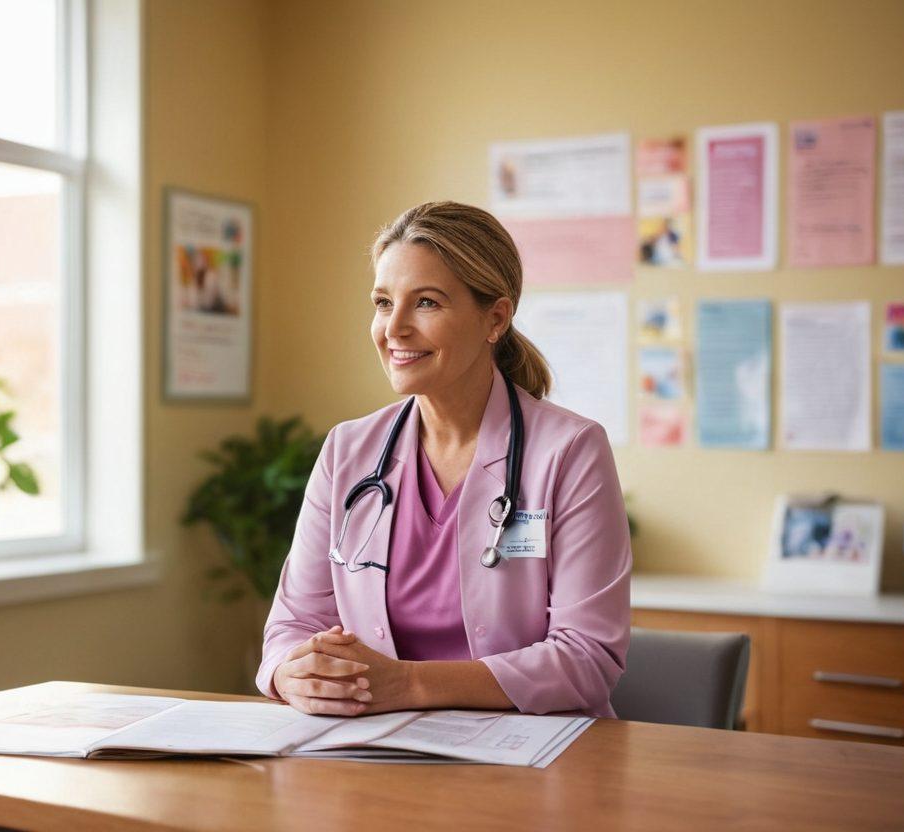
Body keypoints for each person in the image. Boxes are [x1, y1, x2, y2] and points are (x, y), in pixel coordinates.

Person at [256, 201, 631, 718]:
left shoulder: (569, 451)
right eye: (384, 303)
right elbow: (292, 624)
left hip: (534, 758)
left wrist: (407, 684)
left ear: (495, 318)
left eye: (426, 303)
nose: (395, 329)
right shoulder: (348, 452)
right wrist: (291, 672)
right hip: (377, 748)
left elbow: (588, 659)